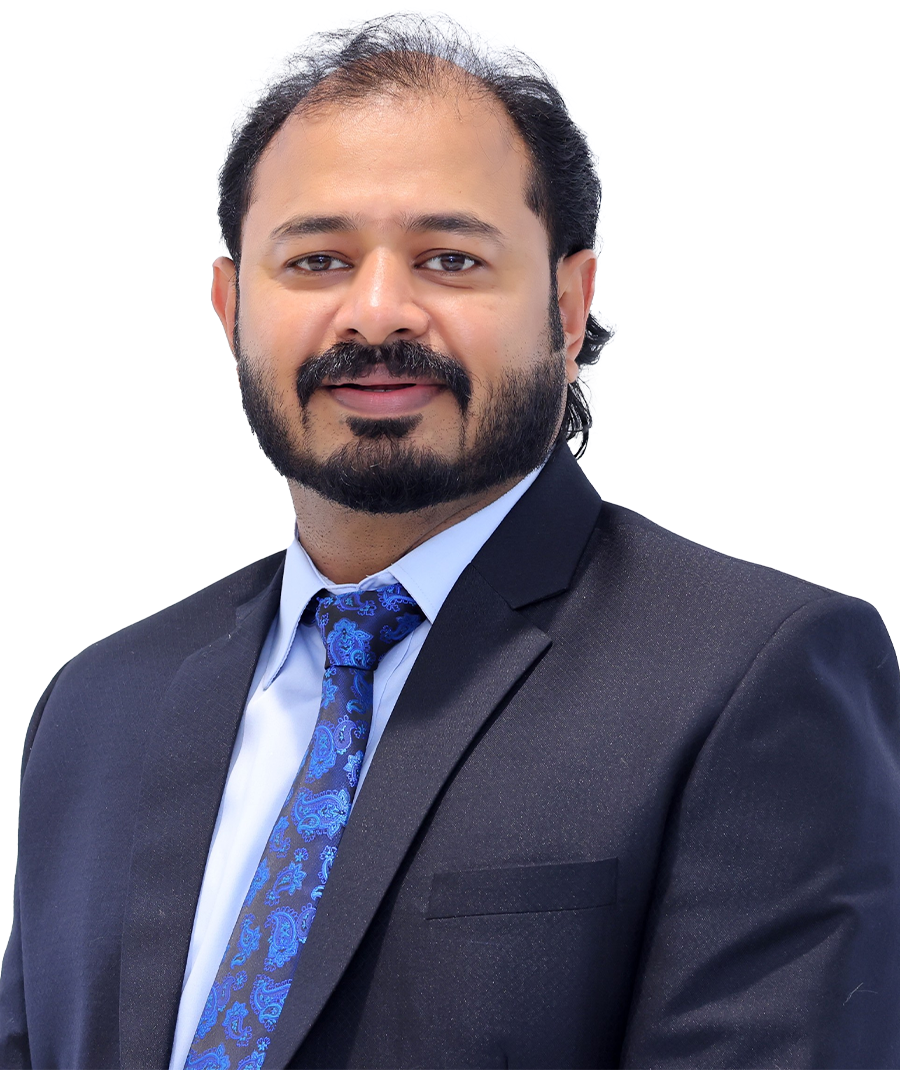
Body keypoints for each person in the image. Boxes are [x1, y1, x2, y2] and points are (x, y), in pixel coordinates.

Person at [2, 14, 899, 1070]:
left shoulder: (753, 674)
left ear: (569, 305)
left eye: (450, 258)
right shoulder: (99, 706)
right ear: (231, 305)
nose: (378, 311)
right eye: (318, 259)